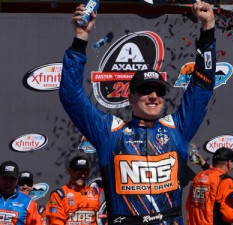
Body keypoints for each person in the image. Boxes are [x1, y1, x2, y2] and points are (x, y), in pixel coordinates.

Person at [59, 1, 216, 224]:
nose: (153, 95)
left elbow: (203, 86)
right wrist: (80, 38)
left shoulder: (177, 128)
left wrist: (208, 28)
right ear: (130, 96)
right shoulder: (110, 132)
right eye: (145, 90)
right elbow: (70, 96)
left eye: (159, 90)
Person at [186, 147, 233, 225]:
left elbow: (188, 205)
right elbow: (230, 216)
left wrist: (204, 164)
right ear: (229, 163)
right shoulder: (224, 181)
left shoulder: (198, 177)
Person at [45, 156, 103, 225]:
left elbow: (103, 218)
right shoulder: (59, 195)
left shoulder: (96, 193)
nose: (82, 175)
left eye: (85, 171)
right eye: (78, 171)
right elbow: (56, 222)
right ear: (69, 171)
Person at [0, 160, 42, 225]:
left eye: (12, 178)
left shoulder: (28, 202)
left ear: (17, 180)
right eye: (5, 178)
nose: (8, 182)